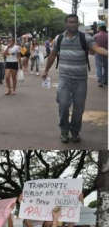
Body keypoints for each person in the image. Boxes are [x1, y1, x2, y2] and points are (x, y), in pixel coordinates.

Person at [42, 14, 108, 143]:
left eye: (75, 22)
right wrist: (46, 70)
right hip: (64, 78)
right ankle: (64, 130)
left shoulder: (85, 38)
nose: (73, 24)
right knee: (63, 104)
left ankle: (75, 131)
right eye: (70, 22)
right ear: (66, 24)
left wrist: (107, 52)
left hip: (81, 79)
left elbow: (97, 48)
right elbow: (53, 55)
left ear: (78, 24)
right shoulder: (59, 38)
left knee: (78, 108)